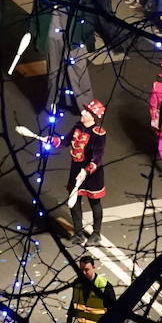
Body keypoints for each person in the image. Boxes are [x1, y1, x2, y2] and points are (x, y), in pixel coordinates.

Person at [32, 0, 97, 118]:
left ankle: (86, 106)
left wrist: (87, 31)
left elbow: (88, 3)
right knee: (54, 68)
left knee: (78, 66)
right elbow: (38, 4)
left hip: (73, 25)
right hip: (52, 24)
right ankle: (53, 102)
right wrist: (35, 29)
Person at [65, 99, 108, 245]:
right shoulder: (77, 126)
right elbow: (65, 141)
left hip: (91, 174)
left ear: (93, 117)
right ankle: (78, 233)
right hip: (76, 170)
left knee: (94, 203)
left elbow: (97, 157)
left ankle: (96, 234)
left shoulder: (99, 133)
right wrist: (51, 140)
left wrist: (87, 170)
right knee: (74, 202)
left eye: (87, 112)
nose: (83, 113)